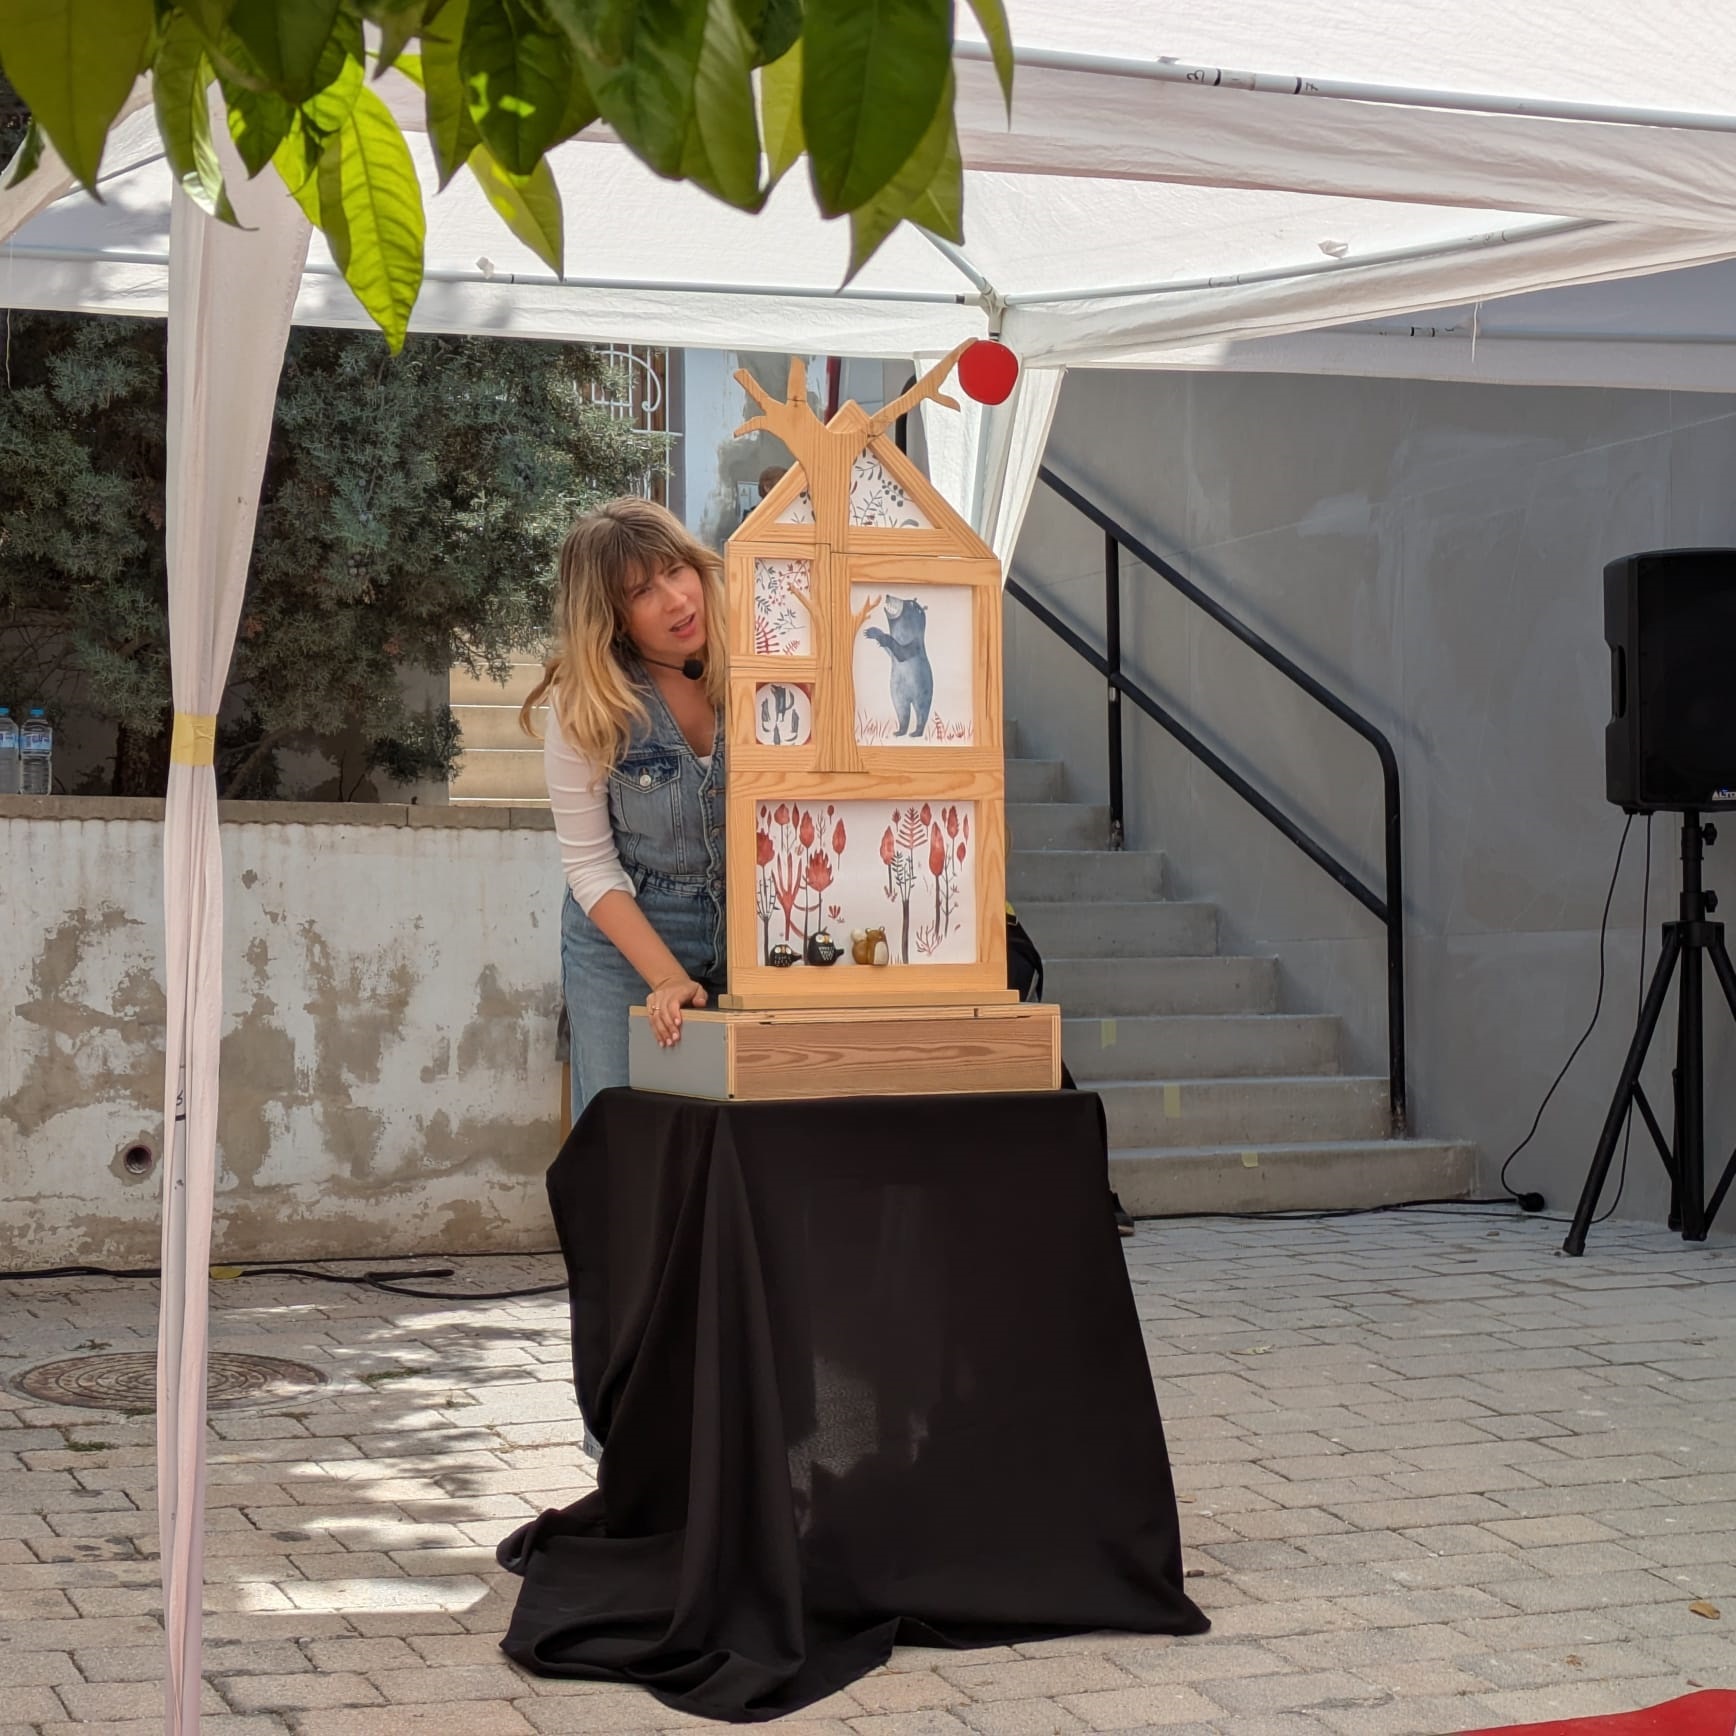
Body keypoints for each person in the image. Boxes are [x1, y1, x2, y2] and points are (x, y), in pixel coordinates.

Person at [522, 498, 728, 1120]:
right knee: (626, 1134)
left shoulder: (762, 659)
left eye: (676, 570)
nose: (676, 600)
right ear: (611, 619)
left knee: (738, 1138)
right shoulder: (585, 702)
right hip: (628, 937)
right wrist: (665, 977)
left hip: (755, 932)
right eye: (642, 592)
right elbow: (589, 866)